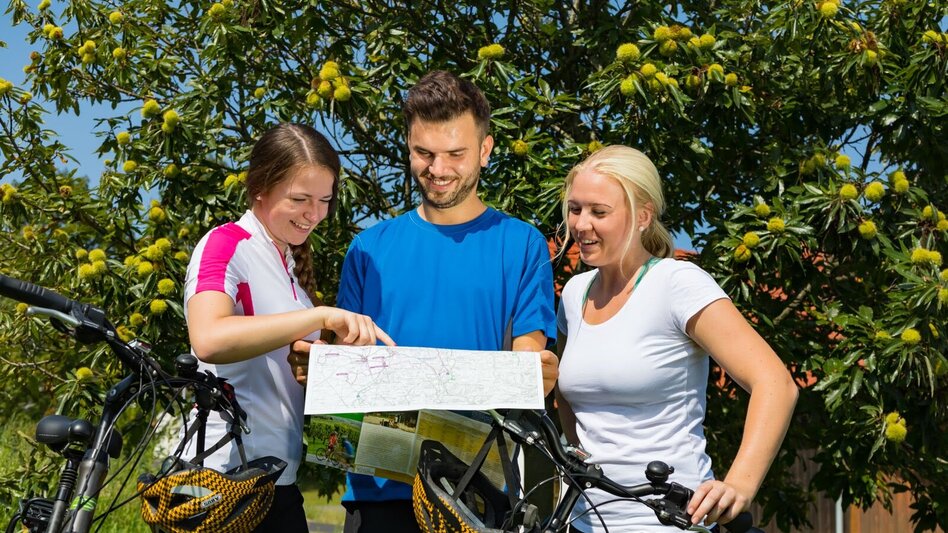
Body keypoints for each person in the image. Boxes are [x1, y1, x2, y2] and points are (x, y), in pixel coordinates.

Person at [289, 70, 559, 533]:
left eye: (455, 153)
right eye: (423, 153)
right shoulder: (368, 248)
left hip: (479, 494)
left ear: (486, 151)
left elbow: (528, 363)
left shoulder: (523, 244)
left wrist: (537, 375)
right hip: (377, 490)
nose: (438, 169)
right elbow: (346, 364)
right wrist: (318, 367)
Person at [549, 145, 798, 532]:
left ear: (643, 216)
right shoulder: (574, 293)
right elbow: (568, 394)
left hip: (668, 522)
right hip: (585, 521)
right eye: (575, 208)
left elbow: (776, 384)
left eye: (599, 212)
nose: (581, 224)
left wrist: (739, 486)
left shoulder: (677, 284)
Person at [183, 123, 393, 531]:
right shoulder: (226, 245)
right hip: (221, 477)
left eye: (325, 200)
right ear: (260, 187)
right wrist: (319, 316)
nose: (314, 214)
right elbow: (207, 338)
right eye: (299, 199)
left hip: (278, 480)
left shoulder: (291, 273)